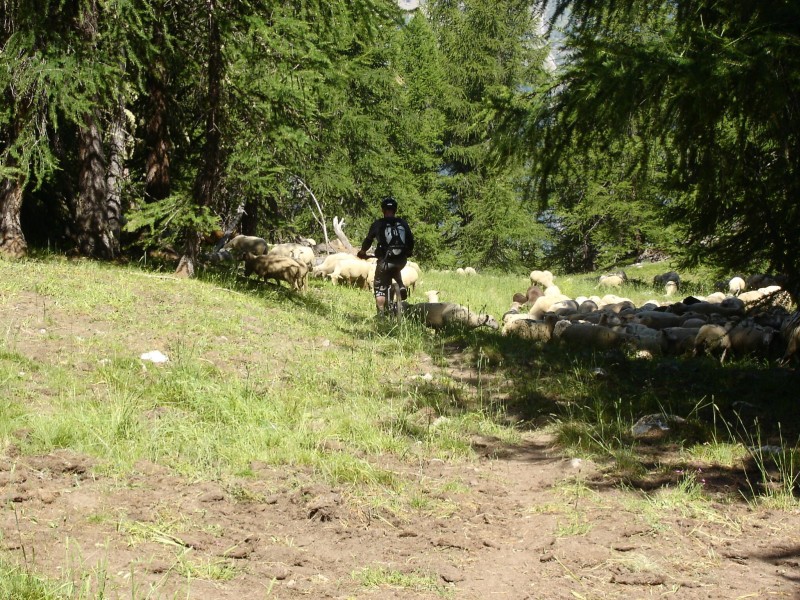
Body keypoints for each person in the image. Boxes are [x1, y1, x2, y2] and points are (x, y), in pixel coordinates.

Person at [357, 196, 415, 317]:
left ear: (383, 210)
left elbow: (368, 241)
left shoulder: (378, 224)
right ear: (395, 210)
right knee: (395, 268)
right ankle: (401, 284)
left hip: (385, 261)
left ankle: (381, 314)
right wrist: (408, 251)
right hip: (401, 260)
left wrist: (362, 252)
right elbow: (411, 240)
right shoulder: (402, 223)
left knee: (379, 287)